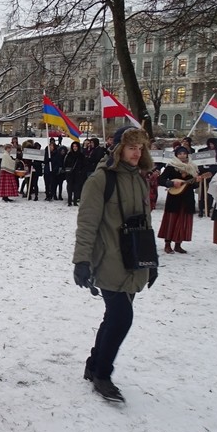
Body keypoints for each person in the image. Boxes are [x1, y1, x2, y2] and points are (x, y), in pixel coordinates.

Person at [72, 127, 157, 402]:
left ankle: (94, 364)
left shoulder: (140, 179)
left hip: (135, 261)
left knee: (113, 317)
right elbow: (87, 224)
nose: (137, 152)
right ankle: (103, 374)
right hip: (109, 260)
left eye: (140, 148)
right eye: (132, 147)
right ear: (119, 148)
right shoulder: (101, 180)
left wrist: (151, 260)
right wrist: (81, 261)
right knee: (122, 317)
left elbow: (146, 223)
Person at [157, 146, 201, 254]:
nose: (182, 155)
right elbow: (160, 180)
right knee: (171, 219)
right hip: (174, 197)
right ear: (176, 155)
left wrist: (197, 181)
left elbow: (194, 185)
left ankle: (178, 244)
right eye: (180, 153)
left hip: (187, 197)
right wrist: (171, 183)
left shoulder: (192, 167)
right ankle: (167, 244)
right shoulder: (171, 166)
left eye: (184, 153)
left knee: (183, 220)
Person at [64, 141, 86, 206]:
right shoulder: (69, 155)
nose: (74, 148)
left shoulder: (81, 155)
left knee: (77, 188)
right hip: (70, 174)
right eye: (73, 146)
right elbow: (65, 164)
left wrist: (81, 172)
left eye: (76, 146)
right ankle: (69, 201)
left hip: (78, 174)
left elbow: (84, 165)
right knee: (70, 187)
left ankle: (75, 200)